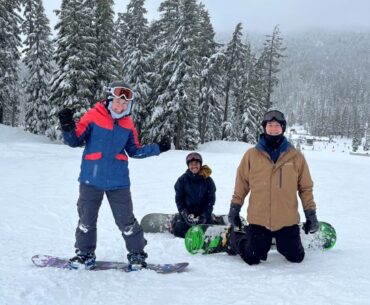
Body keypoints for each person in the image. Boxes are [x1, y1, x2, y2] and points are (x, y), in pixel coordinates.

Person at [57, 81, 170, 270]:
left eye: (125, 104)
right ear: (110, 100)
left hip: (118, 182)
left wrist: (158, 148)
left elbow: (135, 151)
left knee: (127, 222)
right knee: (86, 221)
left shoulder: (127, 124)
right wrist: (67, 125)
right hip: (90, 179)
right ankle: (85, 255)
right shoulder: (93, 116)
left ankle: (137, 255)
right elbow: (75, 140)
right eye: (118, 102)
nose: (121, 106)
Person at [227, 110, 319, 265]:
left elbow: (305, 188)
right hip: (259, 220)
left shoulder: (296, 157)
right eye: (270, 125)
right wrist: (235, 208)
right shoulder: (251, 155)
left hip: (286, 220)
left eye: (277, 125)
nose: (273, 128)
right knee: (252, 256)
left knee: (296, 257)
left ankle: (289, 238)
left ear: (283, 128)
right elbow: (241, 183)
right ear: (264, 127)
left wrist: (310, 214)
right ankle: (234, 237)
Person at [171, 152, 217, 238]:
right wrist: (185, 214)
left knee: (208, 232)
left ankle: (213, 218)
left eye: (196, 164)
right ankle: (175, 220)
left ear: (200, 165)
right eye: (191, 164)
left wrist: (205, 215)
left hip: (203, 213)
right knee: (179, 232)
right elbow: (179, 200)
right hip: (188, 213)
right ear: (188, 166)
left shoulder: (208, 180)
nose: (194, 166)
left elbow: (211, 201)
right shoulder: (182, 180)